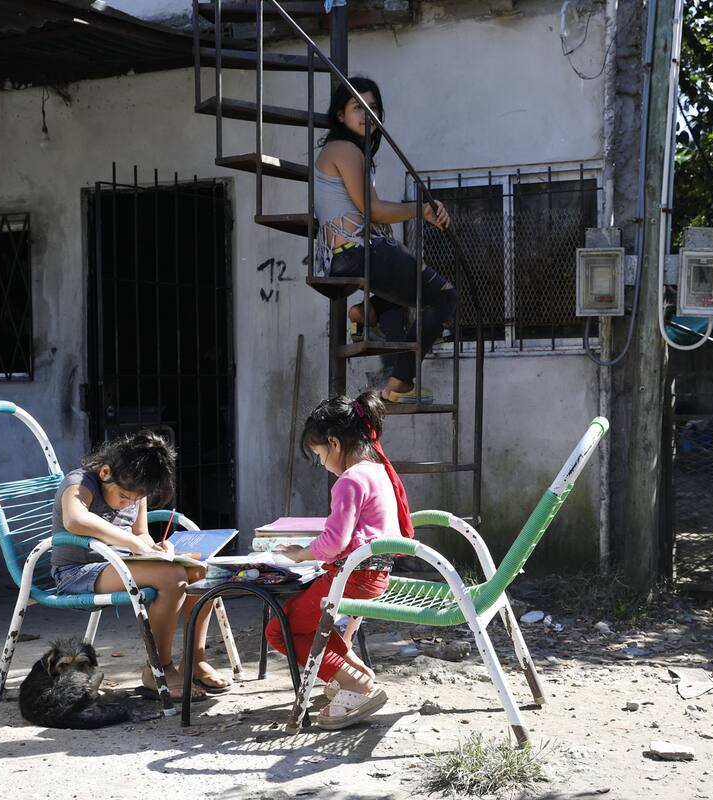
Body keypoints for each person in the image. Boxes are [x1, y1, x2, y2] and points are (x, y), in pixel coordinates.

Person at [269, 390, 414, 729]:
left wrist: (300, 554)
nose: (321, 463)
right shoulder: (379, 471)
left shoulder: (350, 480)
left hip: (352, 577)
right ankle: (357, 674)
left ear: (333, 443)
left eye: (319, 454)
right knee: (307, 622)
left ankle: (354, 684)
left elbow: (334, 543)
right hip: (374, 576)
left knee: (279, 629)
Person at [51, 431, 229, 702]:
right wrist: (133, 542)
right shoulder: (79, 482)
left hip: (122, 565)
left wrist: (156, 548)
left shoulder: (136, 489)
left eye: (136, 499)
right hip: (78, 572)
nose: (129, 504)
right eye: (124, 497)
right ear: (106, 472)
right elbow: (75, 520)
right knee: (171, 578)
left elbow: (141, 534)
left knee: (197, 571)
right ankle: (159, 669)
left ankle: (194, 660)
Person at [315, 75, 458, 404]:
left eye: (374, 107)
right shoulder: (345, 150)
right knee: (444, 297)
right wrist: (421, 210)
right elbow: (374, 210)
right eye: (358, 107)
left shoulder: (344, 151)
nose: (368, 115)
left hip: (345, 255)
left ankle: (367, 313)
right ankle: (399, 383)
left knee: (409, 290)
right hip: (358, 251)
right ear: (340, 115)